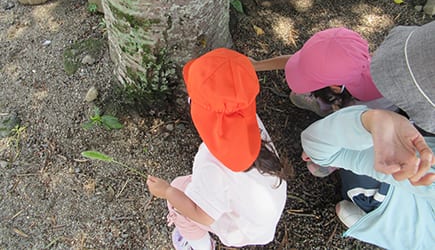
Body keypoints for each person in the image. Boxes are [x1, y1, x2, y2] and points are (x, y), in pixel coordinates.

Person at [300, 21, 435, 249]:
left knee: (360, 177)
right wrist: (370, 122)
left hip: (412, 218)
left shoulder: (420, 176)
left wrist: (365, 122)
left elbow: (323, 147)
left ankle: (374, 219)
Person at [146, 48, 290, 250]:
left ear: (202, 116)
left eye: (192, 99)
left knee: (178, 193)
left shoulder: (210, 163)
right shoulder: (250, 122)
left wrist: (167, 191)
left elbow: (202, 215)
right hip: (264, 213)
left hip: (242, 230)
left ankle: (200, 245)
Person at [250, 27, 397, 117]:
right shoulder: (349, 56)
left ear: (334, 88)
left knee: (299, 97)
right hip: (346, 96)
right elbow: (296, 61)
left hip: (354, 111)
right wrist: (255, 65)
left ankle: (325, 109)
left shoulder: (364, 112)